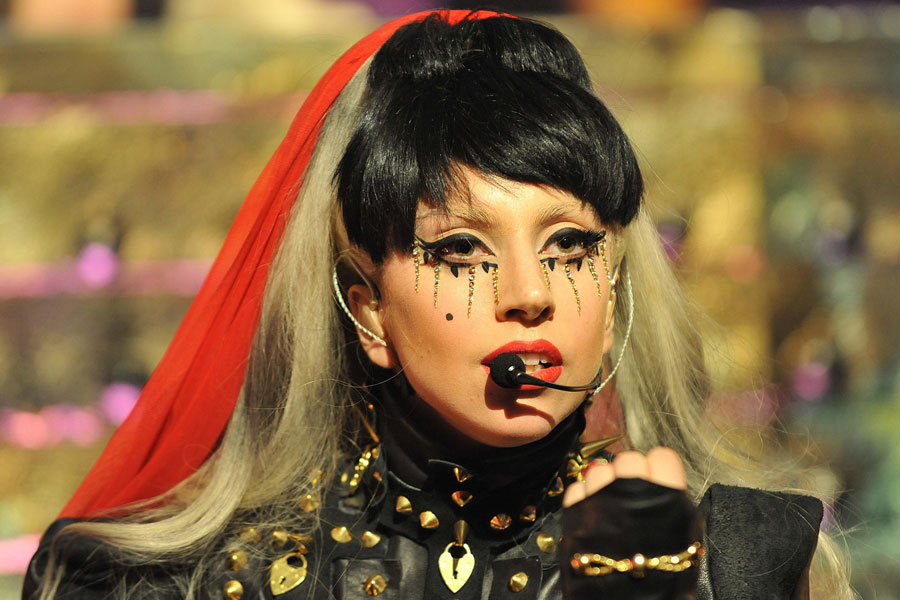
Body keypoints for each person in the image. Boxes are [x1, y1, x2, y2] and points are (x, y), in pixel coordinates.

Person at [23, 10, 853, 600]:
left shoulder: (750, 560)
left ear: (613, 291)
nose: (529, 296)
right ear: (369, 311)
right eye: (460, 251)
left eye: (570, 246)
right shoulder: (170, 582)